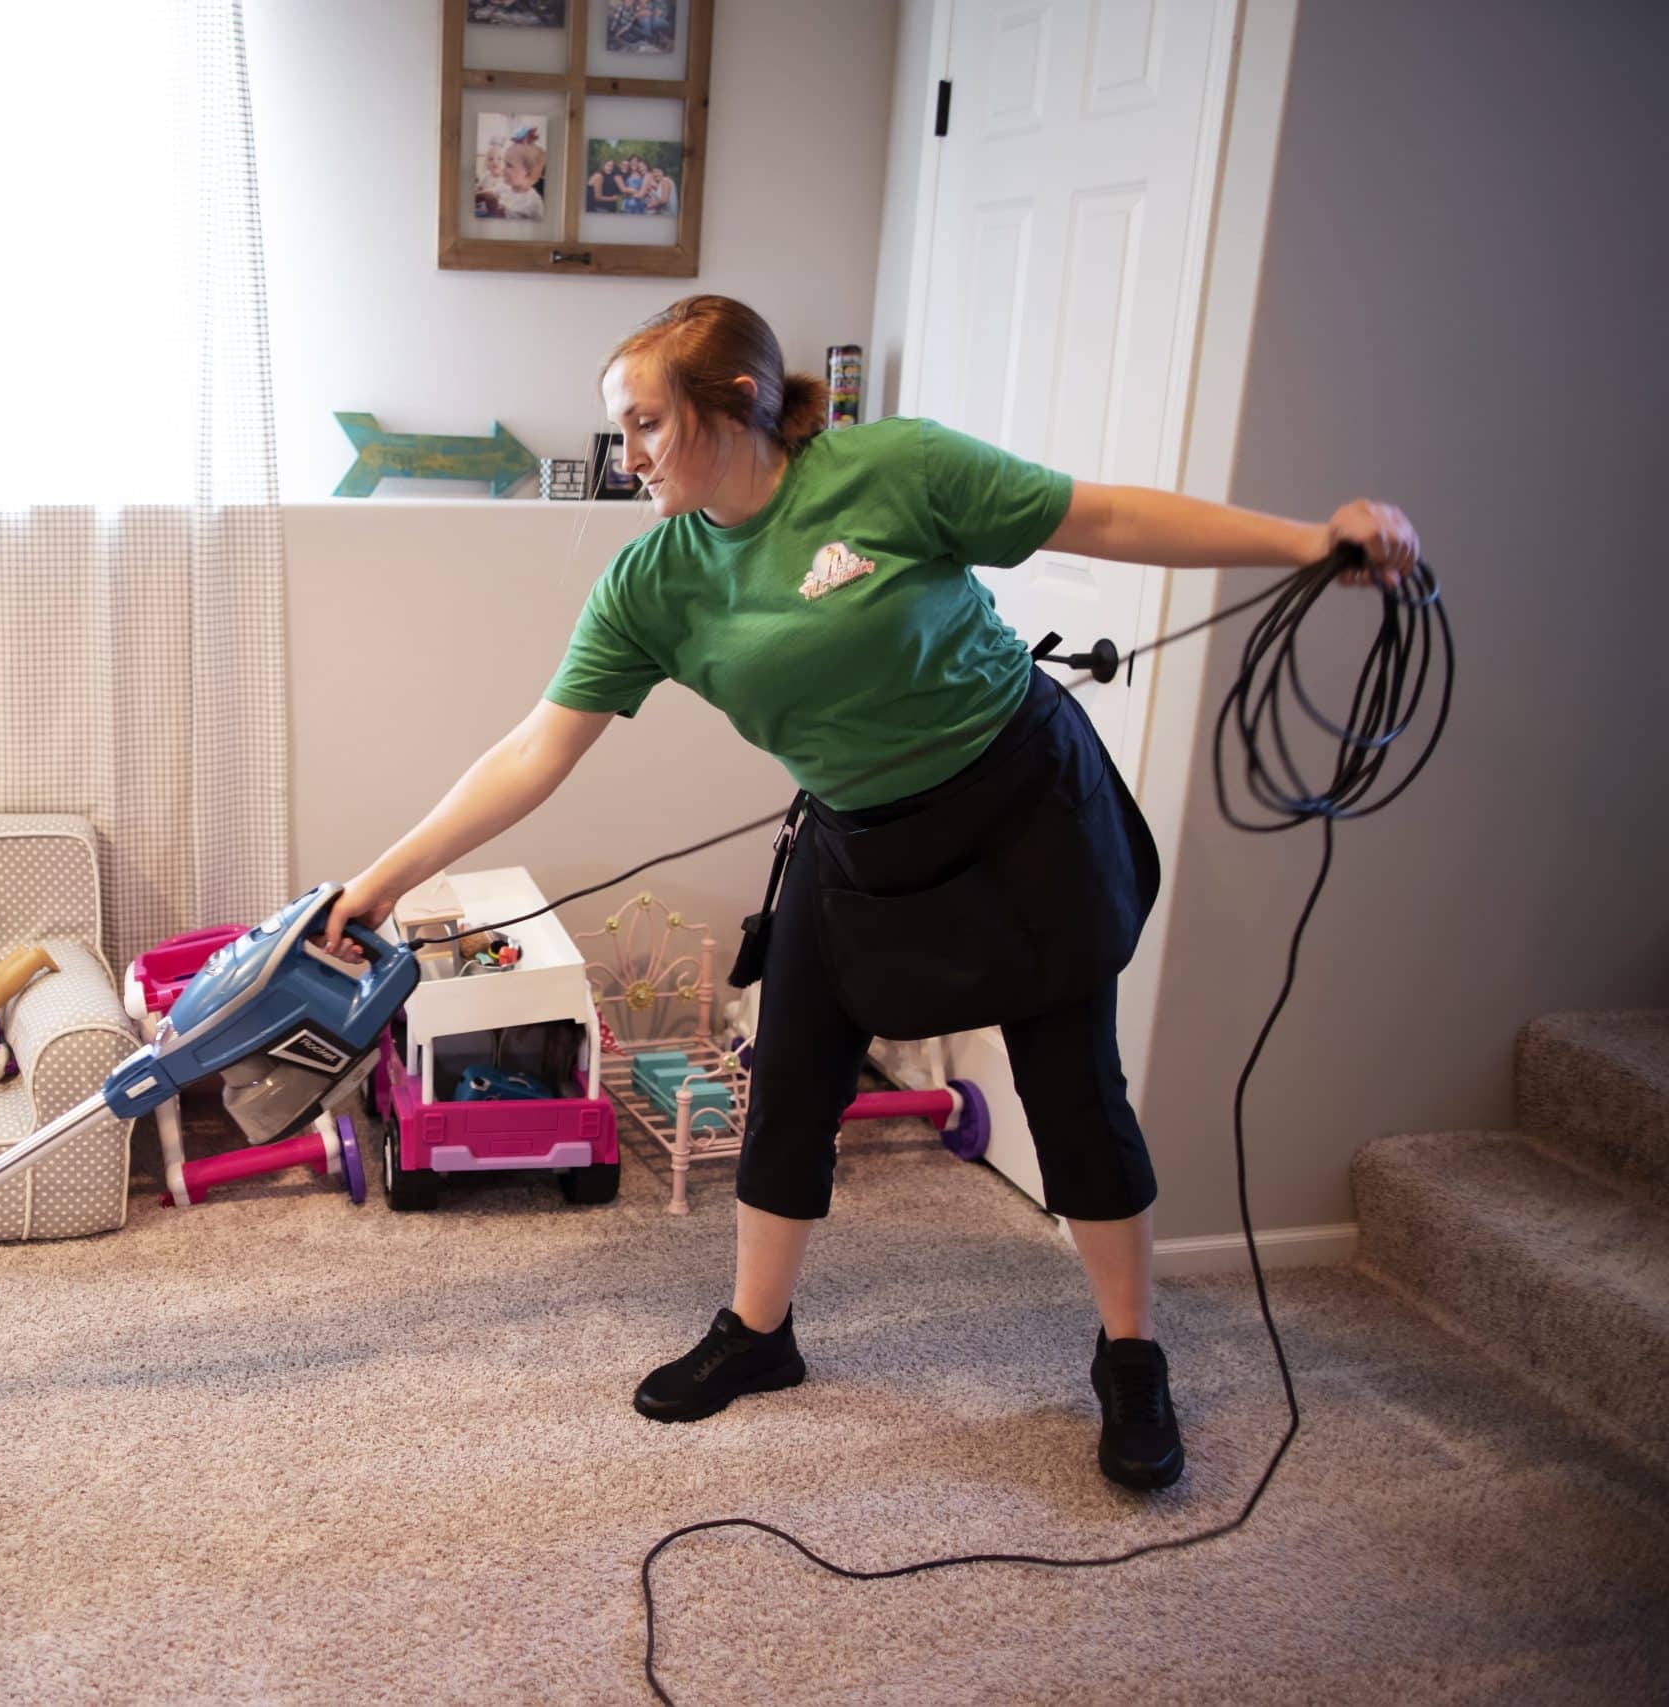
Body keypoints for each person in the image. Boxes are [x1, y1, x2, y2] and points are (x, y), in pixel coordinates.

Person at [323, 294, 1420, 1493]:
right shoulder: (655, 580)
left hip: (1024, 817)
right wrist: (383, 881)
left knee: (1074, 1093)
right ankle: (758, 1333)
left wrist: (1311, 540)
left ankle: (1129, 1355)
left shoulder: (892, 471)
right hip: (856, 845)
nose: (624, 456)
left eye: (645, 426)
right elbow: (534, 748)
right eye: (620, 429)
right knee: (788, 1078)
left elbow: (1095, 513)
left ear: (735, 403)